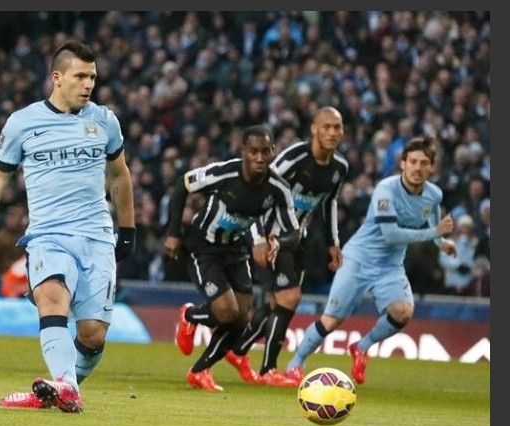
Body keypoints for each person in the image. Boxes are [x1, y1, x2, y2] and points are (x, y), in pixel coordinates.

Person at [0, 40, 135, 413]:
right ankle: (65, 385)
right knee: (51, 299)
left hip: (96, 236)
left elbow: (119, 175)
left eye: (93, 77)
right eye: (80, 76)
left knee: (93, 334)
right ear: (57, 77)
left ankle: (63, 385)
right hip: (48, 235)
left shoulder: (104, 121)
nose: (88, 84)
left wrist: (128, 229)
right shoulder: (23, 122)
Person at [284, 136, 457, 385]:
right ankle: (296, 363)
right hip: (359, 259)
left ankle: (361, 347)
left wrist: (442, 243)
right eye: (413, 162)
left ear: (431, 167)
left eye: (424, 163)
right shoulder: (386, 190)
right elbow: (391, 234)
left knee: (403, 311)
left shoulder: (434, 195)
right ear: (403, 164)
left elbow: (433, 218)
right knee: (332, 320)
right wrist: (434, 234)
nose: (418, 168)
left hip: (390, 266)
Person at [168, 124, 301, 392]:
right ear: (244, 152)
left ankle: (199, 371)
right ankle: (190, 315)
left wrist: (276, 241)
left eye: (265, 151)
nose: (260, 157)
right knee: (226, 312)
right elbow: (182, 186)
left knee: (242, 321)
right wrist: (173, 233)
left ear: (273, 152)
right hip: (203, 246)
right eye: (254, 151)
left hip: (236, 250)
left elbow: (294, 232)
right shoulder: (224, 173)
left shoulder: (278, 188)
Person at [222, 106, 349, 387]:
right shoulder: (294, 159)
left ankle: (239, 351)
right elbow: (258, 189)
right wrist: (256, 237)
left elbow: (329, 204)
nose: (332, 132)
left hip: (296, 238)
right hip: (271, 235)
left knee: (278, 303)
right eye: (326, 126)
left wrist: (333, 243)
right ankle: (268, 369)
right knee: (290, 298)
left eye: (337, 127)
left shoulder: (340, 168)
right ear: (314, 129)